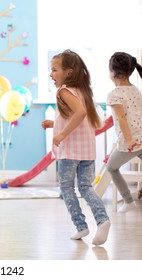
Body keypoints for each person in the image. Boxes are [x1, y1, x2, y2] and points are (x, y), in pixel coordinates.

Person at [42, 49, 111, 245]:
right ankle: (102, 220)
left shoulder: (63, 91)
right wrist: (54, 124)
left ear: (69, 72)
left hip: (70, 151)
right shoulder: (83, 91)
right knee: (86, 188)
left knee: (66, 188)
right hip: (86, 150)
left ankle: (81, 225)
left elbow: (79, 113)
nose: (51, 74)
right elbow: (78, 118)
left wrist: (62, 134)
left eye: (54, 70)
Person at [105, 52, 142, 213]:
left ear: (113, 72)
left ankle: (128, 201)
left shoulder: (115, 94)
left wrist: (127, 140)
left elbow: (121, 117)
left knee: (111, 167)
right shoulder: (135, 90)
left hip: (133, 139)